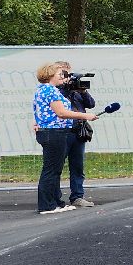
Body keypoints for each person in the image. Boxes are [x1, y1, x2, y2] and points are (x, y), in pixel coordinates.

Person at [31, 61, 99, 214]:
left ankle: (56, 202)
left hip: (54, 132)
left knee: (54, 170)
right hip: (53, 132)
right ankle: (47, 205)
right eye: (60, 74)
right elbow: (61, 113)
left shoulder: (43, 89)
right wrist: (85, 115)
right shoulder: (51, 91)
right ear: (50, 75)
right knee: (51, 170)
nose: (63, 77)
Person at [55, 59, 97, 208]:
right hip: (61, 133)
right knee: (56, 166)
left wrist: (82, 91)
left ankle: (77, 196)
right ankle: (55, 198)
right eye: (62, 73)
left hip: (78, 132)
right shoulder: (54, 91)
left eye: (68, 73)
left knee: (77, 166)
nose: (66, 77)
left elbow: (91, 104)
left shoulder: (76, 89)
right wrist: (65, 89)